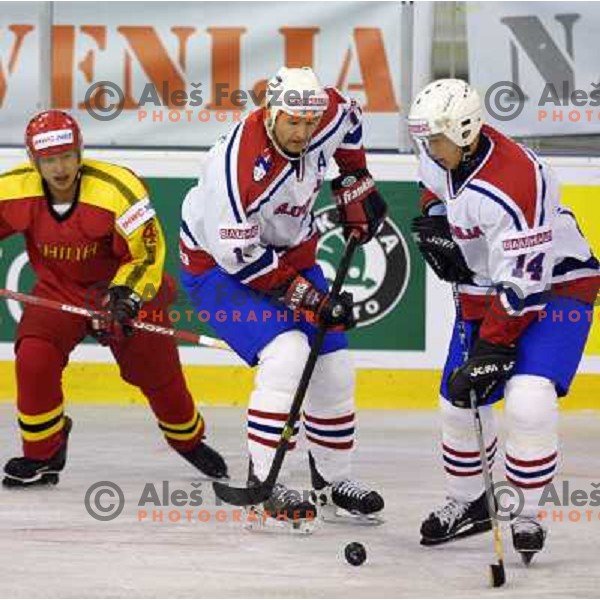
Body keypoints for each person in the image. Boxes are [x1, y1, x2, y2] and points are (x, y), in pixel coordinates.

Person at [179, 66, 387, 528]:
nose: (302, 132)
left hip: (290, 249)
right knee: (288, 354)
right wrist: (309, 300)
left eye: (309, 123)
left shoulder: (323, 115)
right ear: (270, 111)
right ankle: (266, 482)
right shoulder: (235, 167)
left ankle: (333, 482)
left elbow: (349, 120)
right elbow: (242, 260)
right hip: (219, 267)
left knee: (333, 363)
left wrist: (355, 178)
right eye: (292, 121)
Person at [407, 79, 600, 560]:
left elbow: (525, 284)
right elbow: (431, 187)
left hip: (555, 285)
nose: (429, 149)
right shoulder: (441, 148)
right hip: (487, 283)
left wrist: (494, 347)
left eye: (436, 140)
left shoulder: (516, 182)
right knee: (458, 398)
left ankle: (526, 512)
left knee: (528, 399)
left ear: (465, 131)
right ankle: (468, 502)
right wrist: (435, 221)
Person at [0, 110, 228, 487]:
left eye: (67, 156)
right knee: (34, 359)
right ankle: (43, 453)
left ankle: (187, 439)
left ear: (80, 153)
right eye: (49, 160)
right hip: (59, 292)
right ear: (34, 161)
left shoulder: (117, 189)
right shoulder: (14, 190)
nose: (59, 168)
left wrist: (127, 298)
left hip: (123, 292)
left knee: (158, 375)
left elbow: (148, 253)